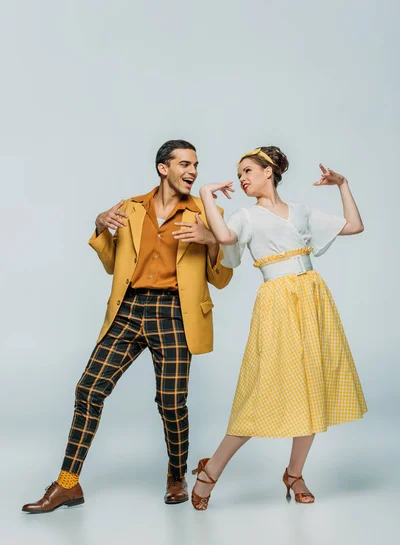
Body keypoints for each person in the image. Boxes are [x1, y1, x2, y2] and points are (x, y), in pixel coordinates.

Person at [22, 139, 233, 513]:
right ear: (162, 167)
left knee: (171, 403)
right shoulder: (131, 208)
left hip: (175, 314)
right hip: (129, 309)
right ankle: (67, 484)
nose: (193, 171)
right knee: (88, 389)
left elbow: (221, 278)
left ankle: (176, 474)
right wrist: (100, 225)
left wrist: (211, 240)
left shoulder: (204, 212)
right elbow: (111, 264)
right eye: (185, 163)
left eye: (196, 165)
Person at [184, 146, 367, 510]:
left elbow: (354, 226)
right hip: (276, 303)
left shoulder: (299, 211)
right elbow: (223, 239)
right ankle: (211, 471)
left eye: (248, 171)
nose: (242, 179)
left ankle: (294, 473)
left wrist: (342, 184)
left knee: (312, 386)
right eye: (239, 174)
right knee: (260, 390)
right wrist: (205, 194)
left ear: (269, 172)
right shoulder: (244, 217)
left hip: (313, 298)